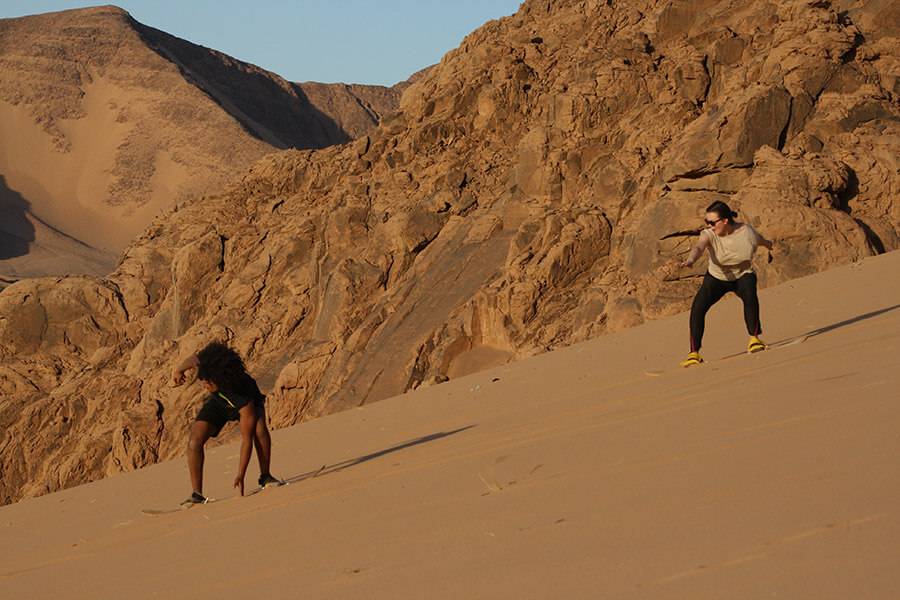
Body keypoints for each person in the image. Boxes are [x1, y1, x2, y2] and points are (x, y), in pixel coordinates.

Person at [172, 341, 283, 506]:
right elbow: (193, 359)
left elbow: (247, 440)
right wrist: (179, 370)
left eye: (208, 383)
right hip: (219, 404)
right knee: (195, 441)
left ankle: (265, 476)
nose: (205, 385)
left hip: (248, 402)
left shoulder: (242, 397)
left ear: (220, 379)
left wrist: (240, 475)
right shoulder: (206, 368)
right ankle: (197, 494)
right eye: (203, 381)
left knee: (259, 430)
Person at [679, 200, 774, 367]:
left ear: (725, 220)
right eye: (706, 222)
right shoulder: (709, 234)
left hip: (742, 275)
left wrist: (767, 244)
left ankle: (754, 339)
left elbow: (758, 239)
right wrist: (690, 259)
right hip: (717, 278)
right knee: (698, 308)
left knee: (750, 296)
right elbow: (699, 247)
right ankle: (694, 353)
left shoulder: (746, 232)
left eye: (712, 222)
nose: (709, 225)